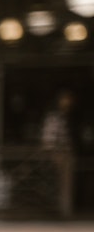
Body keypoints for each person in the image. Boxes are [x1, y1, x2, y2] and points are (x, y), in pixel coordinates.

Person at [40, 90, 75, 218]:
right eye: (65, 99)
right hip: (59, 155)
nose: (68, 102)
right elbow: (48, 139)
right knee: (58, 184)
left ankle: (64, 210)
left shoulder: (65, 116)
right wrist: (52, 154)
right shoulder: (54, 117)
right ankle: (59, 211)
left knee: (64, 185)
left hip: (64, 155)